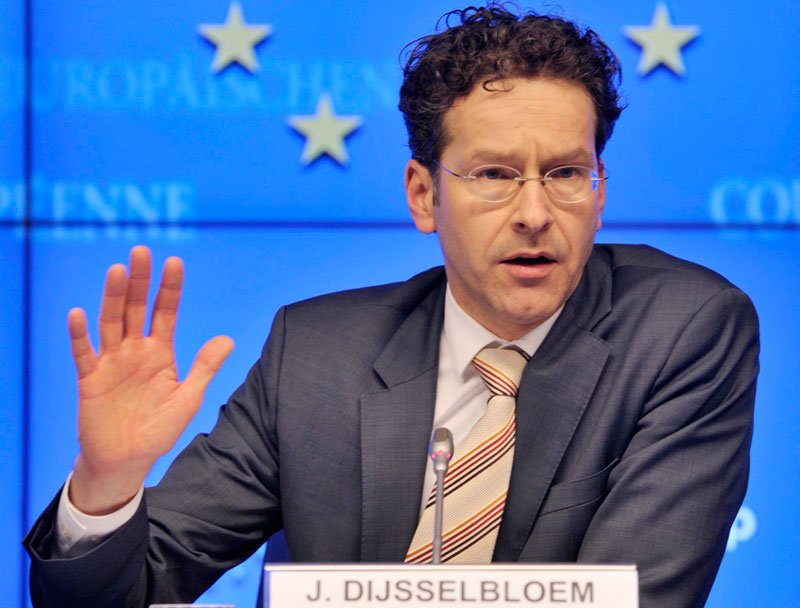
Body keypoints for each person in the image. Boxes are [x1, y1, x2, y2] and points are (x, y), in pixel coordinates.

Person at [24, 5, 759, 607]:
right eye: (494, 175)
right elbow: (118, 594)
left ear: (598, 192)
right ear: (423, 195)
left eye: (566, 173)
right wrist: (107, 484)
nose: (535, 214)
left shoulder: (682, 331)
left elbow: (637, 598)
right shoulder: (315, 356)